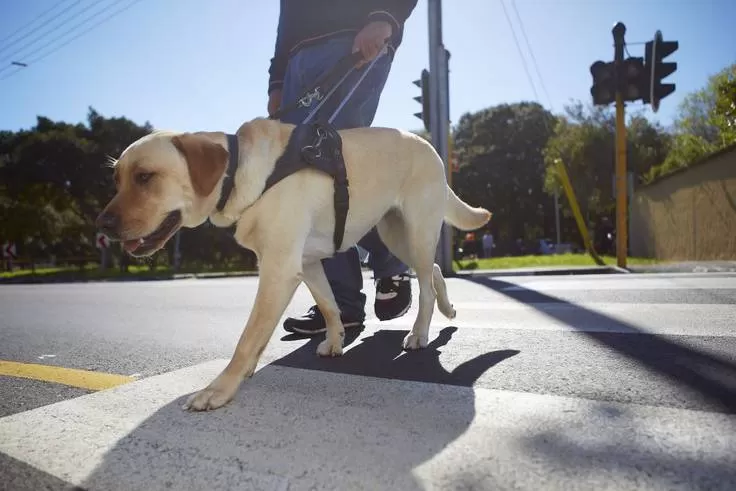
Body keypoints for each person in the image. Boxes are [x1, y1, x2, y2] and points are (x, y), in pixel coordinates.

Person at [267, 0, 419, 336]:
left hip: (353, 38)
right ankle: (341, 302)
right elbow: (288, 13)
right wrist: (277, 80)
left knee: (337, 170)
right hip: (298, 62)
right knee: (307, 181)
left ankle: (389, 263)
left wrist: (385, 17)